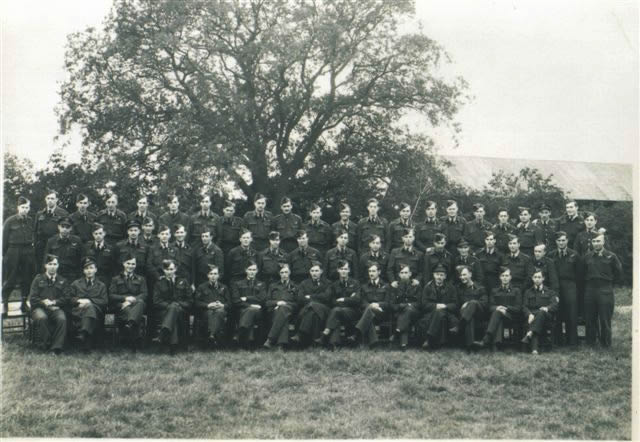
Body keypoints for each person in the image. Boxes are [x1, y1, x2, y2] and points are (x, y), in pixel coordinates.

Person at [583, 233, 622, 348]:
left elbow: (618, 273)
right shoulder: (587, 257)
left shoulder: (611, 256)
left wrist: (609, 284)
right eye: (594, 241)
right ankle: (590, 343)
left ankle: (605, 344)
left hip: (605, 289)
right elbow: (583, 273)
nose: (596, 244)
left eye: (598, 241)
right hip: (590, 289)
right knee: (590, 318)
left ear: (603, 242)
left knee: (605, 318)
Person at [473, 267, 522, 351]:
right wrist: (497, 307)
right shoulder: (494, 291)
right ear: (500, 277)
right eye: (503, 276)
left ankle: (486, 339)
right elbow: (490, 306)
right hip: (498, 316)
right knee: (497, 313)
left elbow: (518, 308)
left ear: (510, 277)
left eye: (507, 275)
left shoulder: (516, 290)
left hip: (512, 316)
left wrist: (505, 309)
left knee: (497, 313)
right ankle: (496, 345)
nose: (505, 278)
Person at [29, 254, 71, 354]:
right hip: (39, 308)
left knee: (62, 319)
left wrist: (55, 302)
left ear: (58, 265)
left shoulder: (63, 280)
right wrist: (43, 302)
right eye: (50, 264)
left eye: (55, 264)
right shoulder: (38, 279)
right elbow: (32, 298)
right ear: (45, 266)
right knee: (41, 317)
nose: (52, 267)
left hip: (56, 308)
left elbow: (67, 298)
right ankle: (46, 344)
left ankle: (56, 347)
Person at [3, 196, 35, 315]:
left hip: (27, 251)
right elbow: (4, 241)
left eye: (27, 207)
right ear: (18, 208)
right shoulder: (10, 221)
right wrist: (6, 256)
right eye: (23, 207)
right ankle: (5, 303)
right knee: (11, 278)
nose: (25, 209)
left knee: (26, 278)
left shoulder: (31, 220)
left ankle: (24, 302)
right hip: (13, 251)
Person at [109, 252, 148, 351]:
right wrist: (125, 299)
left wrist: (131, 301)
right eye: (128, 263)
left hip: (135, 304)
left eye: (133, 264)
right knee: (134, 310)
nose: (131, 266)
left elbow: (144, 294)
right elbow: (111, 295)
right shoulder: (115, 279)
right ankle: (135, 339)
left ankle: (130, 324)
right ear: (123, 264)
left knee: (141, 302)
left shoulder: (141, 279)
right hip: (121, 306)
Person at [547, 231, 581, 346]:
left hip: (570, 286)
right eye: (559, 241)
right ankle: (558, 341)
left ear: (567, 241)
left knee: (571, 314)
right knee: (557, 312)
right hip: (556, 286)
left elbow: (579, 273)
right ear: (556, 242)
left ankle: (572, 341)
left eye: (563, 240)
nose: (561, 243)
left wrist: (575, 288)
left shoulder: (574, 254)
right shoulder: (551, 255)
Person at [153, 259, 192, 354]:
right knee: (173, 311)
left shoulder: (183, 281)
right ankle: (173, 346)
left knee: (174, 308)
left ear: (176, 269)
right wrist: (169, 306)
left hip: (181, 310)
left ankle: (163, 334)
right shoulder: (159, 283)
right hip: (164, 310)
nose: (169, 272)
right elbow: (156, 301)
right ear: (163, 270)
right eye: (167, 269)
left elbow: (190, 301)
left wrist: (178, 304)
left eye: (171, 269)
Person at [320, 260, 361, 349]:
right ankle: (334, 343)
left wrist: (343, 299)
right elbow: (331, 301)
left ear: (349, 270)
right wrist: (349, 299)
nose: (343, 271)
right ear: (338, 270)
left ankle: (326, 333)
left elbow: (357, 300)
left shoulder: (355, 283)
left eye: (345, 269)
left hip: (352, 312)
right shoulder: (334, 285)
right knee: (336, 315)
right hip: (338, 312)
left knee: (335, 311)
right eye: (341, 269)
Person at [70, 257, 108, 352]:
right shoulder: (76, 283)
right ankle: (85, 335)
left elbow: (104, 301)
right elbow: (69, 298)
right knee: (89, 312)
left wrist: (89, 301)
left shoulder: (101, 285)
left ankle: (84, 334)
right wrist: (79, 301)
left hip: (96, 312)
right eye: (86, 269)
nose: (89, 271)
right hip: (78, 310)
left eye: (91, 268)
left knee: (90, 308)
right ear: (83, 271)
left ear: (96, 270)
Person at [418, 264, 459, 350]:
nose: (439, 277)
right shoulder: (427, 287)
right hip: (431, 312)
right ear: (433, 275)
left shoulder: (451, 288)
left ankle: (429, 339)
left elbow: (455, 304)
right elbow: (424, 304)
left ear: (445, 276)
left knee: (440, 313)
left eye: (441, 275)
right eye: (437, 274)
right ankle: (434, 341)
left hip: (447, 312)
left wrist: (445, 306)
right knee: (435, 314)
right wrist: (436, 306)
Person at [521, 269, 559, 354]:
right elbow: (524, 306)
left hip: (547, 317)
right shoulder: (528, 292)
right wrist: (529, 314)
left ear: (543, 278)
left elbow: (555, 304)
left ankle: (530, 335)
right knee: (537, 319)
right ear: (532, 278)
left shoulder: (550, 292)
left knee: (541, 312)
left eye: (539, 277)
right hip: (533, 317)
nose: (537, 279)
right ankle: (534, 349)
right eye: (535, 277)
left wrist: (547, 308)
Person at [295, 261, 332, 347]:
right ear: (309, 272)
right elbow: (300, 298)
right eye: (312, 271)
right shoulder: (304, 283)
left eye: (316, 271)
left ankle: (300, 333)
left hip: (324, 310)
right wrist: (317, 298)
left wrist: (310, 297)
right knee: (313, 313)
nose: (314, 273)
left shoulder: (328, 283)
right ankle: (315, 341)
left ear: (321, 271)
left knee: (312, 305)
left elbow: (327, 297)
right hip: (307, 310)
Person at [231, 261, 267, 348]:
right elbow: (235, 300)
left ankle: (240, 332)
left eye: (254, 270)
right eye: (250, 269)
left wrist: (246, 298)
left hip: (258, 311)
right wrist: (250, 305)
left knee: (251, 311)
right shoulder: (238, 284)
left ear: (257, 271)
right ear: (246, 270)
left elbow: (262, 299)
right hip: (242, 310)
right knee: (250, 311)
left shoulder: (262, 284)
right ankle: (249, 341)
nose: (252, 272)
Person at [355, 263, 391, 348]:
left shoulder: (386, 286)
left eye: (373, 271)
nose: (371, 273)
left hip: (381, 313)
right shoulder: (364, 287)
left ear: (379, 272)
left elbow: (388, 303)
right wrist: (371, 305)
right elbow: (362, 302)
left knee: (369, 311)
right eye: (369, 271)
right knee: (369, 312)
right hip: (368, 313)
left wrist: (378, 304)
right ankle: (374, 342)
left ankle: (357, 333)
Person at [263, 264, 299, 349]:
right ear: (279, 274)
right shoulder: (273, 286)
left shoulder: (295, 286)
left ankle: (270, 339)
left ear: (290, 273)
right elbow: (267, 302)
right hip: (274, 311)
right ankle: (281, 345)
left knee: (283, 309)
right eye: (282, 272)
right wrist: (277, 303)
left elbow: (297, 303)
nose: (284, 274)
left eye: (286, 272)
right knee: (283, 315)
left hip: (290, 311)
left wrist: (285, 304)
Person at [452, 265, 488, 350]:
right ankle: (470, 345)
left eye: (464, 275)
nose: (462, 277)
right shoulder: (458, 289)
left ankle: (459, 326)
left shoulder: (480, 288)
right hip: (464, 314)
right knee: (469, 317)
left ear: (470, 274)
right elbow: (456, 304)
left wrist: (468, 304)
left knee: (473, 303)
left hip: (479, 314)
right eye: (460, 275)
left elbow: (485, 304)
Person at [194, 265, 230, 348]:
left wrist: (222, 305)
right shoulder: (201, 287)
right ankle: (214, 337)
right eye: (211, 274)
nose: (213, 276)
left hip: (221, 310)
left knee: (219, 312)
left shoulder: (224, 287)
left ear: (218, 275)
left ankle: (211, 335)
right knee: (211, 313)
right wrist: (207, 305)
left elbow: (230, 303)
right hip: (207, 311)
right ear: (207, 275)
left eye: (215, 274)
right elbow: (196, 302)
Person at [34, 189, 69, 266]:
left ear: (56, 200)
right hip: (41, 246)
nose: (50, 200)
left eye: (52, 198)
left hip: (55, 244)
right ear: (45, 199)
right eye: (48, 198)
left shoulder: (63, 213)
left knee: (55, 266)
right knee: (41, 266)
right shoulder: (40, 214)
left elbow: (66, 231)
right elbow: (35, 231)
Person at [391, 265, 421, 350]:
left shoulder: (416, 286)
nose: (404, 275)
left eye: (406, 272)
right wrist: (403, 306)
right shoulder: (395, 286)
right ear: (399, 275)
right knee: (405, 313)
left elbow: (419, 303)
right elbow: (392, 304)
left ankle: (397, 333)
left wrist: (409, 306)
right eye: (402, 273)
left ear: (410, 274)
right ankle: (403, 344)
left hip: (415, 312)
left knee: (408, 311)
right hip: (399, 311)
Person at [43, 216, 82, 282]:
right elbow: (46, 260)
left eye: (67, 227)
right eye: (62, 227)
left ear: (71, 228)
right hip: (56, 274)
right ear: (58, 227)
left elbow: (81, 259)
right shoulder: (51, 241)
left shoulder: (76, 241)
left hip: (72, 275)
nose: (64, 229)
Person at [83, 223, 117, 288]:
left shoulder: (111, 248)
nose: (98, 236)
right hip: (90, 276)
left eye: (100, 233)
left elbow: (113, 266)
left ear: (104, 233)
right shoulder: (87, 247)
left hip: (105, 278)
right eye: (96, 234)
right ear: (92, 234)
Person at [475, 231, 504, 295]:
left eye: (491, 239)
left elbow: (501, 270)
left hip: (495, 281)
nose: (489, 241)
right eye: (487, 239)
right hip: (482, 281)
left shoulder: (500, 255)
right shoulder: (479, 254)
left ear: (495, 241)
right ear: (484, 241)